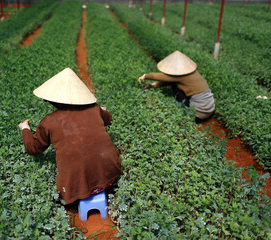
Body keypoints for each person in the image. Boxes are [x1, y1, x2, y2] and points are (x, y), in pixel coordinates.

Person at [18, 68, 122, 204]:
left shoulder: (49, 121)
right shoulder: (94, 109)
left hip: (76, 190)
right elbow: (108, 119)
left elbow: (33, 149)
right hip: (111, 177)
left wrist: (25, 129)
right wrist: (102, 111)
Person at [138, 50, 215, 123]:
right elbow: (170, 80)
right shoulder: (193, 72)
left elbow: (161, 77)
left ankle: (185, 112)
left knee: (176, 87)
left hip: (197, 114)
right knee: (175, 84)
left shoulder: (180, 76)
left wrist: (145, 76)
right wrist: (153, 85)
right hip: (210, 109)